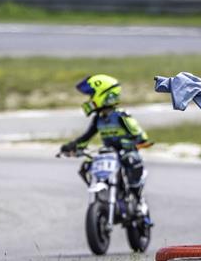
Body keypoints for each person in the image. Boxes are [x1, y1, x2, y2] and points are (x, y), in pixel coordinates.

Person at [59, 74, 151, 218]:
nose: (89, 100)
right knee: (86, 166)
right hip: (109, 155)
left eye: (92, 96)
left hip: (125, 153)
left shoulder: (121, 116)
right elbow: (86, 138)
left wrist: (131, 143)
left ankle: (138, 201)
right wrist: (71, 146)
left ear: (103, 94)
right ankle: (104, 196)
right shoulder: (98, 119)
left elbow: (141, 136)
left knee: (131, 160)